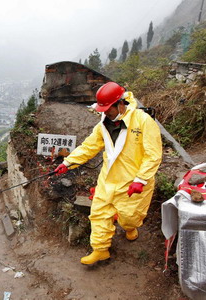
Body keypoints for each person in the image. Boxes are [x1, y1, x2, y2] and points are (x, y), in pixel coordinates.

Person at [54, 81, 162, 265]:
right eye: (102, 109)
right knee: (99, 212)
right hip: (108, 178)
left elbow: (153, 155)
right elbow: (89, 146)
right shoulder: (103, 124)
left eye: (107, 108)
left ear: (120, 103)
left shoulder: (143, 122)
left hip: (133, 181)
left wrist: (141, 179)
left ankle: (130, 228)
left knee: (129, 217)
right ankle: (100, 249)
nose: (105, 113)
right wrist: (68, 162)